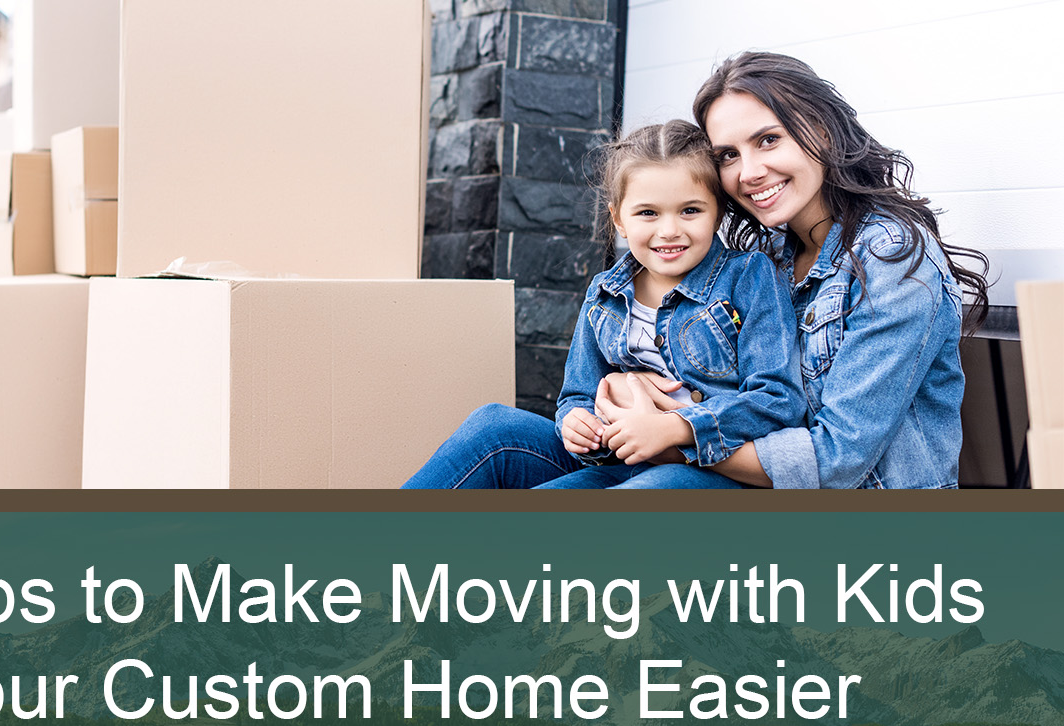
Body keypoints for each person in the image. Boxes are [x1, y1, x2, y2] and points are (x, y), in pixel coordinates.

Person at [594, 51, 988, 489]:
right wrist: (630, 387)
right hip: (739, 480)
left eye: (767, 140)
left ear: (820, 131)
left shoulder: (891, 261)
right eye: (727, 155)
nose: (750, 172)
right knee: (503, 433)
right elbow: (728, 389)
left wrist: (677, 440)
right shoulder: (767, 259)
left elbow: (838, 459)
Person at [403, 120, 805, 489]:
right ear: (618, 219)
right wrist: (576, 423)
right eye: (647, 212)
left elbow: (778, 399)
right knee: (493, 426)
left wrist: (677, 427)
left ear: (716, 213)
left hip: (708, 472)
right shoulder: (606, 293)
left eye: (690, 211)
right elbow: (577, 394)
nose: (669, 230)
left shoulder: (747, 276)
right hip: (618, 462)